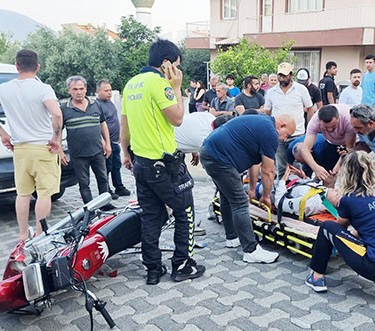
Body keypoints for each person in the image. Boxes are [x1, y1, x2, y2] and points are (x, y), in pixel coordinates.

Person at [120, 39, 205, 285]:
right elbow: (178, 118)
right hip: (164, 165)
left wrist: (125, 153)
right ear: (166, 64)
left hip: (141, 162)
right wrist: (176, 87)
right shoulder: (159, 84)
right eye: (176, 66)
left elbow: (124, 124)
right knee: (185, 211)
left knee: (151, 215)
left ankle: (153, 270)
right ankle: (182, 265)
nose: (178, 72)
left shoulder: (131, 84)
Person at [0, 49, 63, 245]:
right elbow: (57, 115)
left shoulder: (3, 89)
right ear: (38, 67)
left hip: (20, 149)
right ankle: (41, 234)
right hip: (43, 147)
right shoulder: (43, 89)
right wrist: (56, 138)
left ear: (17, 66)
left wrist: (3, 134)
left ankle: (23, 235)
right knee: (44, 193)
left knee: (23, 193)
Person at [304, 151, 375, 298]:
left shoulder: (349, 199)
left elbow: (339, 228)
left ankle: (316, 276)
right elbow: (370, 223)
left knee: (327, 227)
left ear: (346, 173)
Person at [199, 114, 297, 263]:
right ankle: (251, 250)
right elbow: (268, 171)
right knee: (240, 202)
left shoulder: (262, 124)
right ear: (281, 126)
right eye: (287, 135)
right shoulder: (270, 132)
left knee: (227, 196)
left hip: (210, 152)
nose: (284, 140)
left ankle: (232, 237)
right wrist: (266, 195)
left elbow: (254, 163)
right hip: (219, 158)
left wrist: (252, 188)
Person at [59, 76, 113, 207]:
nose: (79, 92)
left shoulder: (95, 105)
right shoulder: (63, 108)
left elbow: (103, 124)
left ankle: (105, 205)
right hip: (78, 154)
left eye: (81, 88)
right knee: (84, 183)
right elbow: (58, 131)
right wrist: (60, 151)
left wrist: (108, 143)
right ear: (69, 91)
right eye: (75, 89)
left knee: (103, 179)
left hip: (97, 151)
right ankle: (89, 209)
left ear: (86, 89)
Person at [264, 62, 315, 178]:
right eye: (280, 75)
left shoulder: (301, 89)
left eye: (285, 75)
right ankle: (282, 191)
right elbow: (267, 112)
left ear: (291, 75)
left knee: (298, 166)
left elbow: (310, 109)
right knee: (280, 166)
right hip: (279, 135)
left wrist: (309, 130)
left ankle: (299, 189)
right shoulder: (271, 92)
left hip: (297, 134)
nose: (282, 78)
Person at [300, 104, 357, 181]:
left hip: (351, 143)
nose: (330, 129)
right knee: (329, 170)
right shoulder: (314, 121)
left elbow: (349, 148)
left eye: (333, 126)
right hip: (331, 142)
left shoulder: (347, 119)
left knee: (346, 170)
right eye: (326, 127)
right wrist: (316, 168)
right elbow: (304, 149)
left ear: (338, 118)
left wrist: (338, 166)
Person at [95, 79, 131, 198]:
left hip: (115, 141)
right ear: (98, 91)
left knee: (116, 165)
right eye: (106, 91)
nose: (109, 93)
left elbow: (115, 120)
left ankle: (119, 187)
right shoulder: (97, 105)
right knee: (107, 168)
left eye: (110, 90)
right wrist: (104, 142)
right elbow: (97, 125)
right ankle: (107, 190)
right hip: (106, 144)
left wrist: (120, 134)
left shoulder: (109, 103)